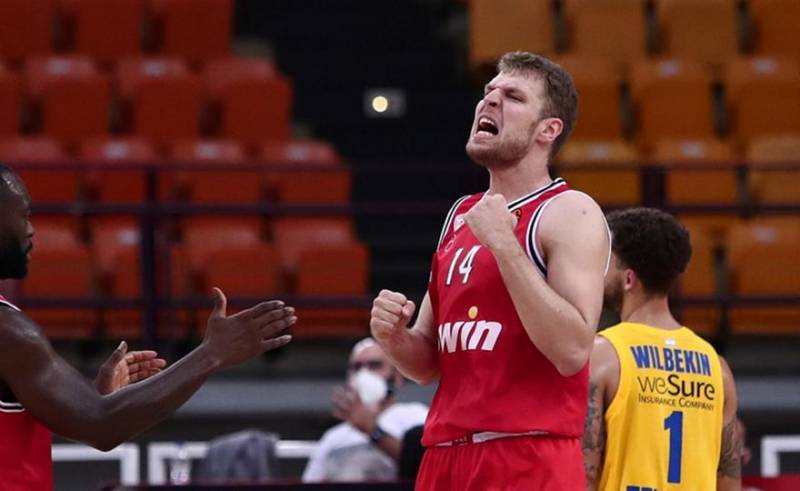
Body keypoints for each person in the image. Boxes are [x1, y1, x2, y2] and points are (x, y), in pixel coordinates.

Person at [370, 51, 610, 490]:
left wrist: (505, 247)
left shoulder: (569, 211)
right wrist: (395, 338)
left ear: (548, 130)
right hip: (445, 453)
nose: (491, 100)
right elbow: (427, 364)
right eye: (489, 92)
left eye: (513, 96)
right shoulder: (460, 215)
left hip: (526, 452)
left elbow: (573, 349)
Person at [0, 164, 297, 489]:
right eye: (24, 215)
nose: (31, 230)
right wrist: (212, 354)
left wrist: (91, 399)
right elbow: (100, 424)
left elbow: (80, 418)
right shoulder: (9, 332)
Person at [583, 208, 742, 491]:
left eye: (607, 263)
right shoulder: (717, 368)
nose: (600, 272)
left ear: (629, 279)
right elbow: (729, 484)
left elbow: (583, 476)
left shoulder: (603, 355)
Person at [302, 338, 428, 483]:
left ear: (397, 376)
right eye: (356, 367)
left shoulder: (416, 416)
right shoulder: (333, 438)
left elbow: (423, 466)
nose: (364, 373)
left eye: (375, 365)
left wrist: (373, 431)